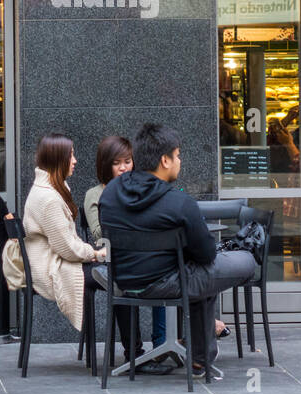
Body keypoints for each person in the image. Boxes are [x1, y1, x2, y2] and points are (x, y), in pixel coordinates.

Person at [98, 123, 255, 379]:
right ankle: (199, 359)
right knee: (243, 261)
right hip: (166, 283)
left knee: (201, 277)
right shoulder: (180, 202)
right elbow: (207, 255)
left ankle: (199, 358)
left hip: (123, 281)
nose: (180, 161)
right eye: (178, 155)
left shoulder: (111, 193)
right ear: (165, 160)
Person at [83, 136, 168, 370]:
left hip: (144, 253)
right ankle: (134, 354)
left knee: (171, 271)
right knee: (122, 280)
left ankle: (164, 345)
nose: (123, 168)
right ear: (105, 165)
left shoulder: (140, 188)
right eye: (117, 163)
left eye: (128, 161)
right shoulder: (95, 194)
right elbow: (99, 233)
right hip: (112, 258)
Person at [22, 133, 107, 343]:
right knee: (114, 276)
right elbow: (66, 247)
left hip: (49, 262)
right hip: (51, 268)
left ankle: (130, 350)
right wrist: (94, 253)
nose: (75, 161)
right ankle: (131, 350)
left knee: (110, 273)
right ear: (57, 160)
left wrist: (91, 254)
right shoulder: (48, 197)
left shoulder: (49, 189)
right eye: (71, 156)